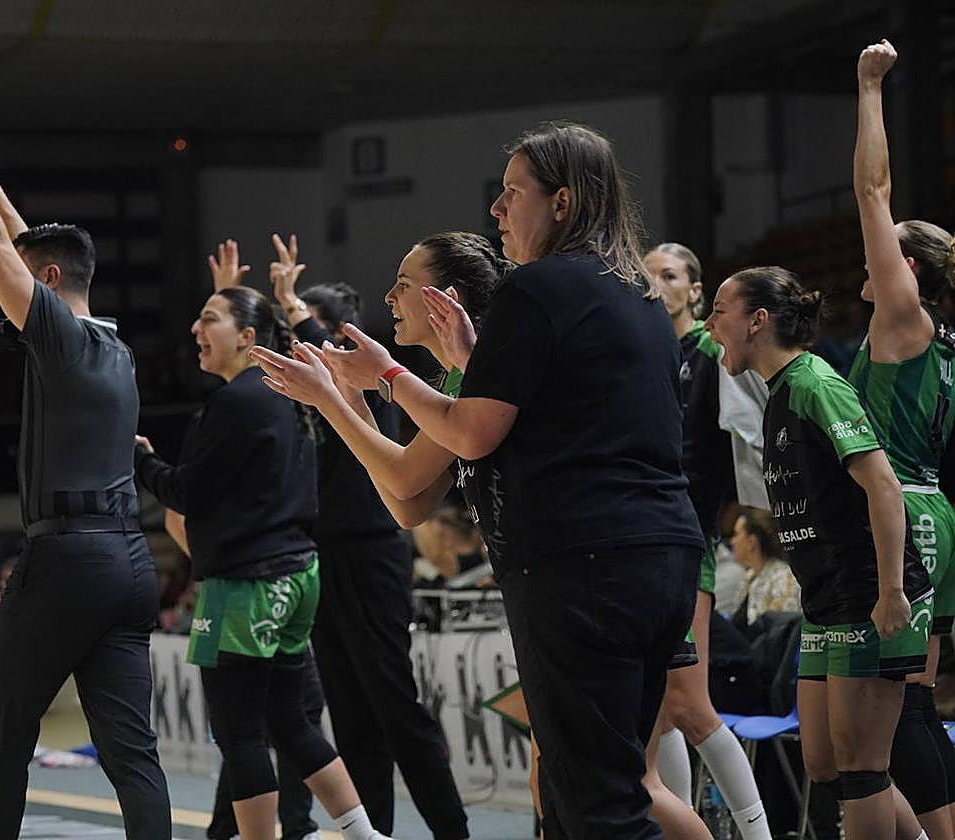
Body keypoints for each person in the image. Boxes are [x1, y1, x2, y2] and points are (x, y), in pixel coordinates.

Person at [258, 122, 702, 839]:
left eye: (512, 193)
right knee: (589, 789)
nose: (496, 210)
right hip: (656, 554)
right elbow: (418, 489)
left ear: (561, 203)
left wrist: (383, 380)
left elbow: (466, 435)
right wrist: (379, 387)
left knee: (603, 804)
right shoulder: (635, 292)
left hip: (584, 563)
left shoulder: (539, 289)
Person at [0, 63, 170, 840]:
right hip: (130, 564)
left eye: (28, 282)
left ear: (48, 283)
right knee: (134, 757)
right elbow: (27, 247)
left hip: (67, 563)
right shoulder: (110, 343)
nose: (11, 294)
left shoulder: (58, 339)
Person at [211, 234, 472, 840]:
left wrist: (289, 301)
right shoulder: (301, 397)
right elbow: (250, 351)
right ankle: (373, 831)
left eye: (319, 329)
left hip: (373, 546)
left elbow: (323, 346)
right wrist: (232, 297)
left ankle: (452, 832)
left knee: (393, 702)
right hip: (324, 549)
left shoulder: (365, 379)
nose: (309, 344)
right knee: (350, 714)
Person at [134, 285, 392, 840]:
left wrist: (143, 462)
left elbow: (187, 491)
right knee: (289, 720)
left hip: (245, 585)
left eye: (209, 319)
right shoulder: (285, 394)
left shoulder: (235, 402)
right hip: (299, 576)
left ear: (248, 337)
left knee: (239, 732)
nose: (196, 331)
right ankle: (364, 835)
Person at [705, 265, 934, 840]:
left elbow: (884, 487)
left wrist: (890, 591)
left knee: (861, 769)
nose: (710, 324)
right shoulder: (778, 394)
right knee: (824, 761)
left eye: (719, 310)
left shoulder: (816, 385)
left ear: (757, 321)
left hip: (869, 593)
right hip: (825, 599)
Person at [845, 38, 955, 839]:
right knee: (914, 699)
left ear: (907, 266)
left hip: (902, 517)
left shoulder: (904, 317)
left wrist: (869, 87)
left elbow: (873, 191)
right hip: (934, 513)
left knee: (881, 727)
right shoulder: (938, 339)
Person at [642, 243, 773, 840]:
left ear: (695, 291)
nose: (656, 284)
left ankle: (754, 831)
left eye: (669, 275)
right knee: (659, 712)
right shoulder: (645, 351)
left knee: (690, 708)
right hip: (646, 537)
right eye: (647, 276)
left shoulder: (710, 353)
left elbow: (744, 439)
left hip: (686, 534)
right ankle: (683, 826)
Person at [730, 507, 800, 631]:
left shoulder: (784, 578)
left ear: (751, 542)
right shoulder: (749, 577)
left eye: (736, 534)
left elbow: (780, 632)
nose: (732, 541)